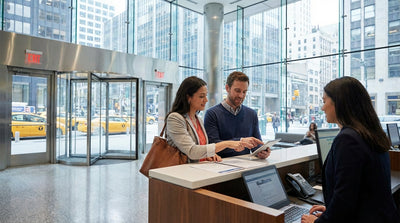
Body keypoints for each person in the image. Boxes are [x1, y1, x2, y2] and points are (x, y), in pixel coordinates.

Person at [301, 77, 400, 223]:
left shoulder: (348, 139)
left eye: (324, 101)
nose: (322, 108)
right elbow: (358, 192)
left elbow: (345, 198)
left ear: (338, 102)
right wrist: (331, 211)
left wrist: (317, 222)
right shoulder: (369, 132)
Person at [165, 76, 260, 163]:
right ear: (188, 97)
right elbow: (191, 151)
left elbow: (202, 147)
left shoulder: (198, 119)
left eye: (206, 96)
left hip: (199, 170)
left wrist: (209, 154)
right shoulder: (175, 118)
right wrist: (228, 144)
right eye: (201, 96)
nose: (206, 100)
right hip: (180, 173)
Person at [204, 71, 270, 159]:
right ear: (227, 88)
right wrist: (240, 141)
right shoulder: (212, 114)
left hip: (246, 164)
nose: (241, 95)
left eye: (244, 92)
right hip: (221, 165)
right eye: (237, 91)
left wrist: (261, 151)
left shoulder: (251, 114)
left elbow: (256, 144)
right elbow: (213, 146)